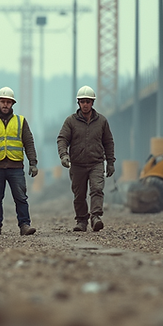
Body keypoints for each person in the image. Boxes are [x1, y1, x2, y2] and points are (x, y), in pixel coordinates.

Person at [0, 87, 39, 236]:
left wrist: (33, 163)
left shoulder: (21, 121)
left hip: (15, 167)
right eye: (3, 101)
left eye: (8, 102)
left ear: (12, 104)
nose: (5, 105)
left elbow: (29, 142)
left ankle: (25, 225)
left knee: (21, 197)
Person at [56, 85, 116, 232]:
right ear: (78, 103)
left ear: (92, 103)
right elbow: (62, 139)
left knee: (97, 189)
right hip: (77, 164)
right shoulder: (70, 121)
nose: (85, 104)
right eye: (82, 101)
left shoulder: (102, 121)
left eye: (88, 101)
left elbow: (108, 142)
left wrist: (110, 162)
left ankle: (95, 217)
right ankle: (81, 220)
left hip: (96, 163)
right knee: (79, 194)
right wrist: (64, 156)